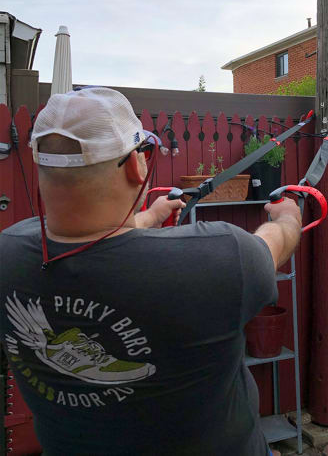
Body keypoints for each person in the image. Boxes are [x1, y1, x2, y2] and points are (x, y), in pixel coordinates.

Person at [0, 87, 301, 455]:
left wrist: (150, 215)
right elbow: (276, 244)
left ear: (40, 165)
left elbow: (90, 239)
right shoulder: (220, 257)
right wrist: (288, 216)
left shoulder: (9, 250)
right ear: (134, 165)